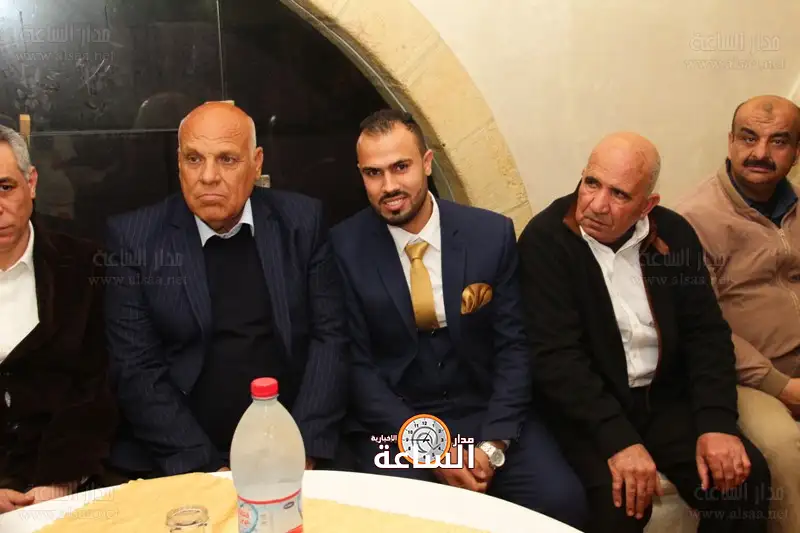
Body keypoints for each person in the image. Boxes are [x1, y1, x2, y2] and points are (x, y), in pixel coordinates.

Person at [330, 109, 586, 528]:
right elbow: (357, 368)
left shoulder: (490, 235)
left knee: (562, 502)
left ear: (427, 163)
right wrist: (430, 449)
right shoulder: (343, 247)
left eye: (401, 167)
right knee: (403, 521)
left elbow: (514, 347)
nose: (389, 186)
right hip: (397, 422)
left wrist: (493, 445)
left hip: (486, 411)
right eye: (373, 173)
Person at [517, 131, 772, 532]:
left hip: (663, 400)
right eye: (591, 183)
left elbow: (706, 333)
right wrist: (618, 440)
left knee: (743, 481)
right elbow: (555, 358)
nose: (597, 204)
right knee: (619, 505)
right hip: (588, 409)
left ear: (647, 205)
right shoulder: (546, 240)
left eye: (619, 194)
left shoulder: (673, 233)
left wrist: (716, 422)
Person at [104, 102, 348, 478]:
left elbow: (330, 338)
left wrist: (302, 448)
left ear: (257, 163)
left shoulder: (302, 222)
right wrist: (206, 468)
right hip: (182, 453)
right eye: (194, 159)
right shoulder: (135, 239)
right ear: (178, 163)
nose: (208, 177)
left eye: (227, 160)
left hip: (291, 441)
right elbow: (136, 368)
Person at [677, 95, 800, 531]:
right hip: (748, 377)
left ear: (796, 152)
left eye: (778, 141)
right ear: (730, 141)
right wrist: (782, 386)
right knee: (784, 446)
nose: (760, 152)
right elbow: (702, 328)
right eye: (749, 138)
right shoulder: (693, 219)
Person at [0, 125, 117, 512]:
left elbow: (97, 385)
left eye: (5, 187)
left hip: (66, 482)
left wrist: (58, 483)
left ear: (31, 183)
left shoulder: (84, 266)